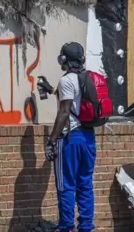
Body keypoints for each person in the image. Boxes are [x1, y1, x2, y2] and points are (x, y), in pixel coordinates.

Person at [37, 42, 96, 232]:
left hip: (70, 140)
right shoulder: (88, 78)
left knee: (66, 185)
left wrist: (51, 141)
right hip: (88, 138)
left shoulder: (66, 81)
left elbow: (64, 111)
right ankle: (86, 227)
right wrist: (52, 90)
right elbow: (75, 102)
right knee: (85, 184)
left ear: (63, 60)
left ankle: (66, 227)